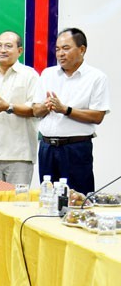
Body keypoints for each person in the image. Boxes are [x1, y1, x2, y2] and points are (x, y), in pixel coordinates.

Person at [32, 28, 110, 194]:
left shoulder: (96, 77)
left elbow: (97, 116)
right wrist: (46, 107)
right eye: (58, 49)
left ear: (82, 50)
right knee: (48, 201)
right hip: (47, 148)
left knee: (78, 199)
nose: (60, 54)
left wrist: (65, 110)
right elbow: (35, 110)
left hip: (76, 149)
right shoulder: (48, 74)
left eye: (66, 48)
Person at [0, 31, 39, 185]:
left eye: (8, 46)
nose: (2, 50)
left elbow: (36, 109)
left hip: (19, 153)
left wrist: (8, 107)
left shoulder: (30, 75)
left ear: (20, 51)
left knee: (18, 203)